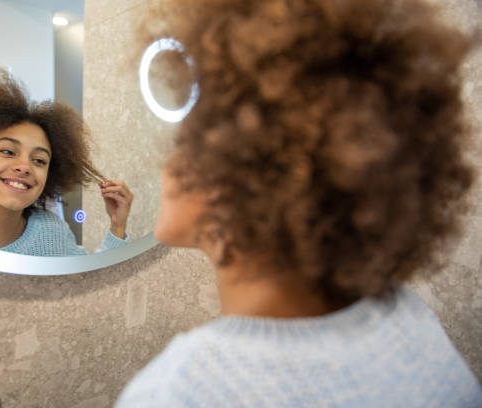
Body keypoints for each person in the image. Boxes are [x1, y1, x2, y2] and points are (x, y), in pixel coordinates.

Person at [116, 0, 482, 406]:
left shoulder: (184, 391)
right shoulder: (410, 319)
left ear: (242, 173)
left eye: (186, 139)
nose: (168, 162)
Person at [0, 70, 133, 256]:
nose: (24, 167)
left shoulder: (53, 234)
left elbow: (89, 283)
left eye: (39, 160)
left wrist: (117, 223)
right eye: (8, 151)